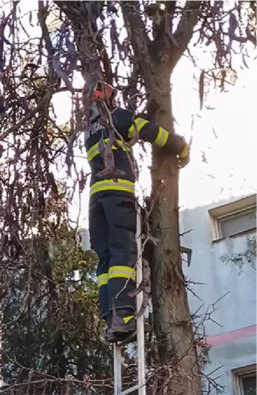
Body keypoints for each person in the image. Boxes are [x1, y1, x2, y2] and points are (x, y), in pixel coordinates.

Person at [85, 81, 190, 343]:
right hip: (118, 194)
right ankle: (123, 315)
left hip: (96, 201)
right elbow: (153, 133)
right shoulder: (118, 118)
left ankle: (110, 318)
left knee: (106, 261)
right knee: (123, 252)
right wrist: (181, 147)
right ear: (109, 99)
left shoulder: (89, 131)